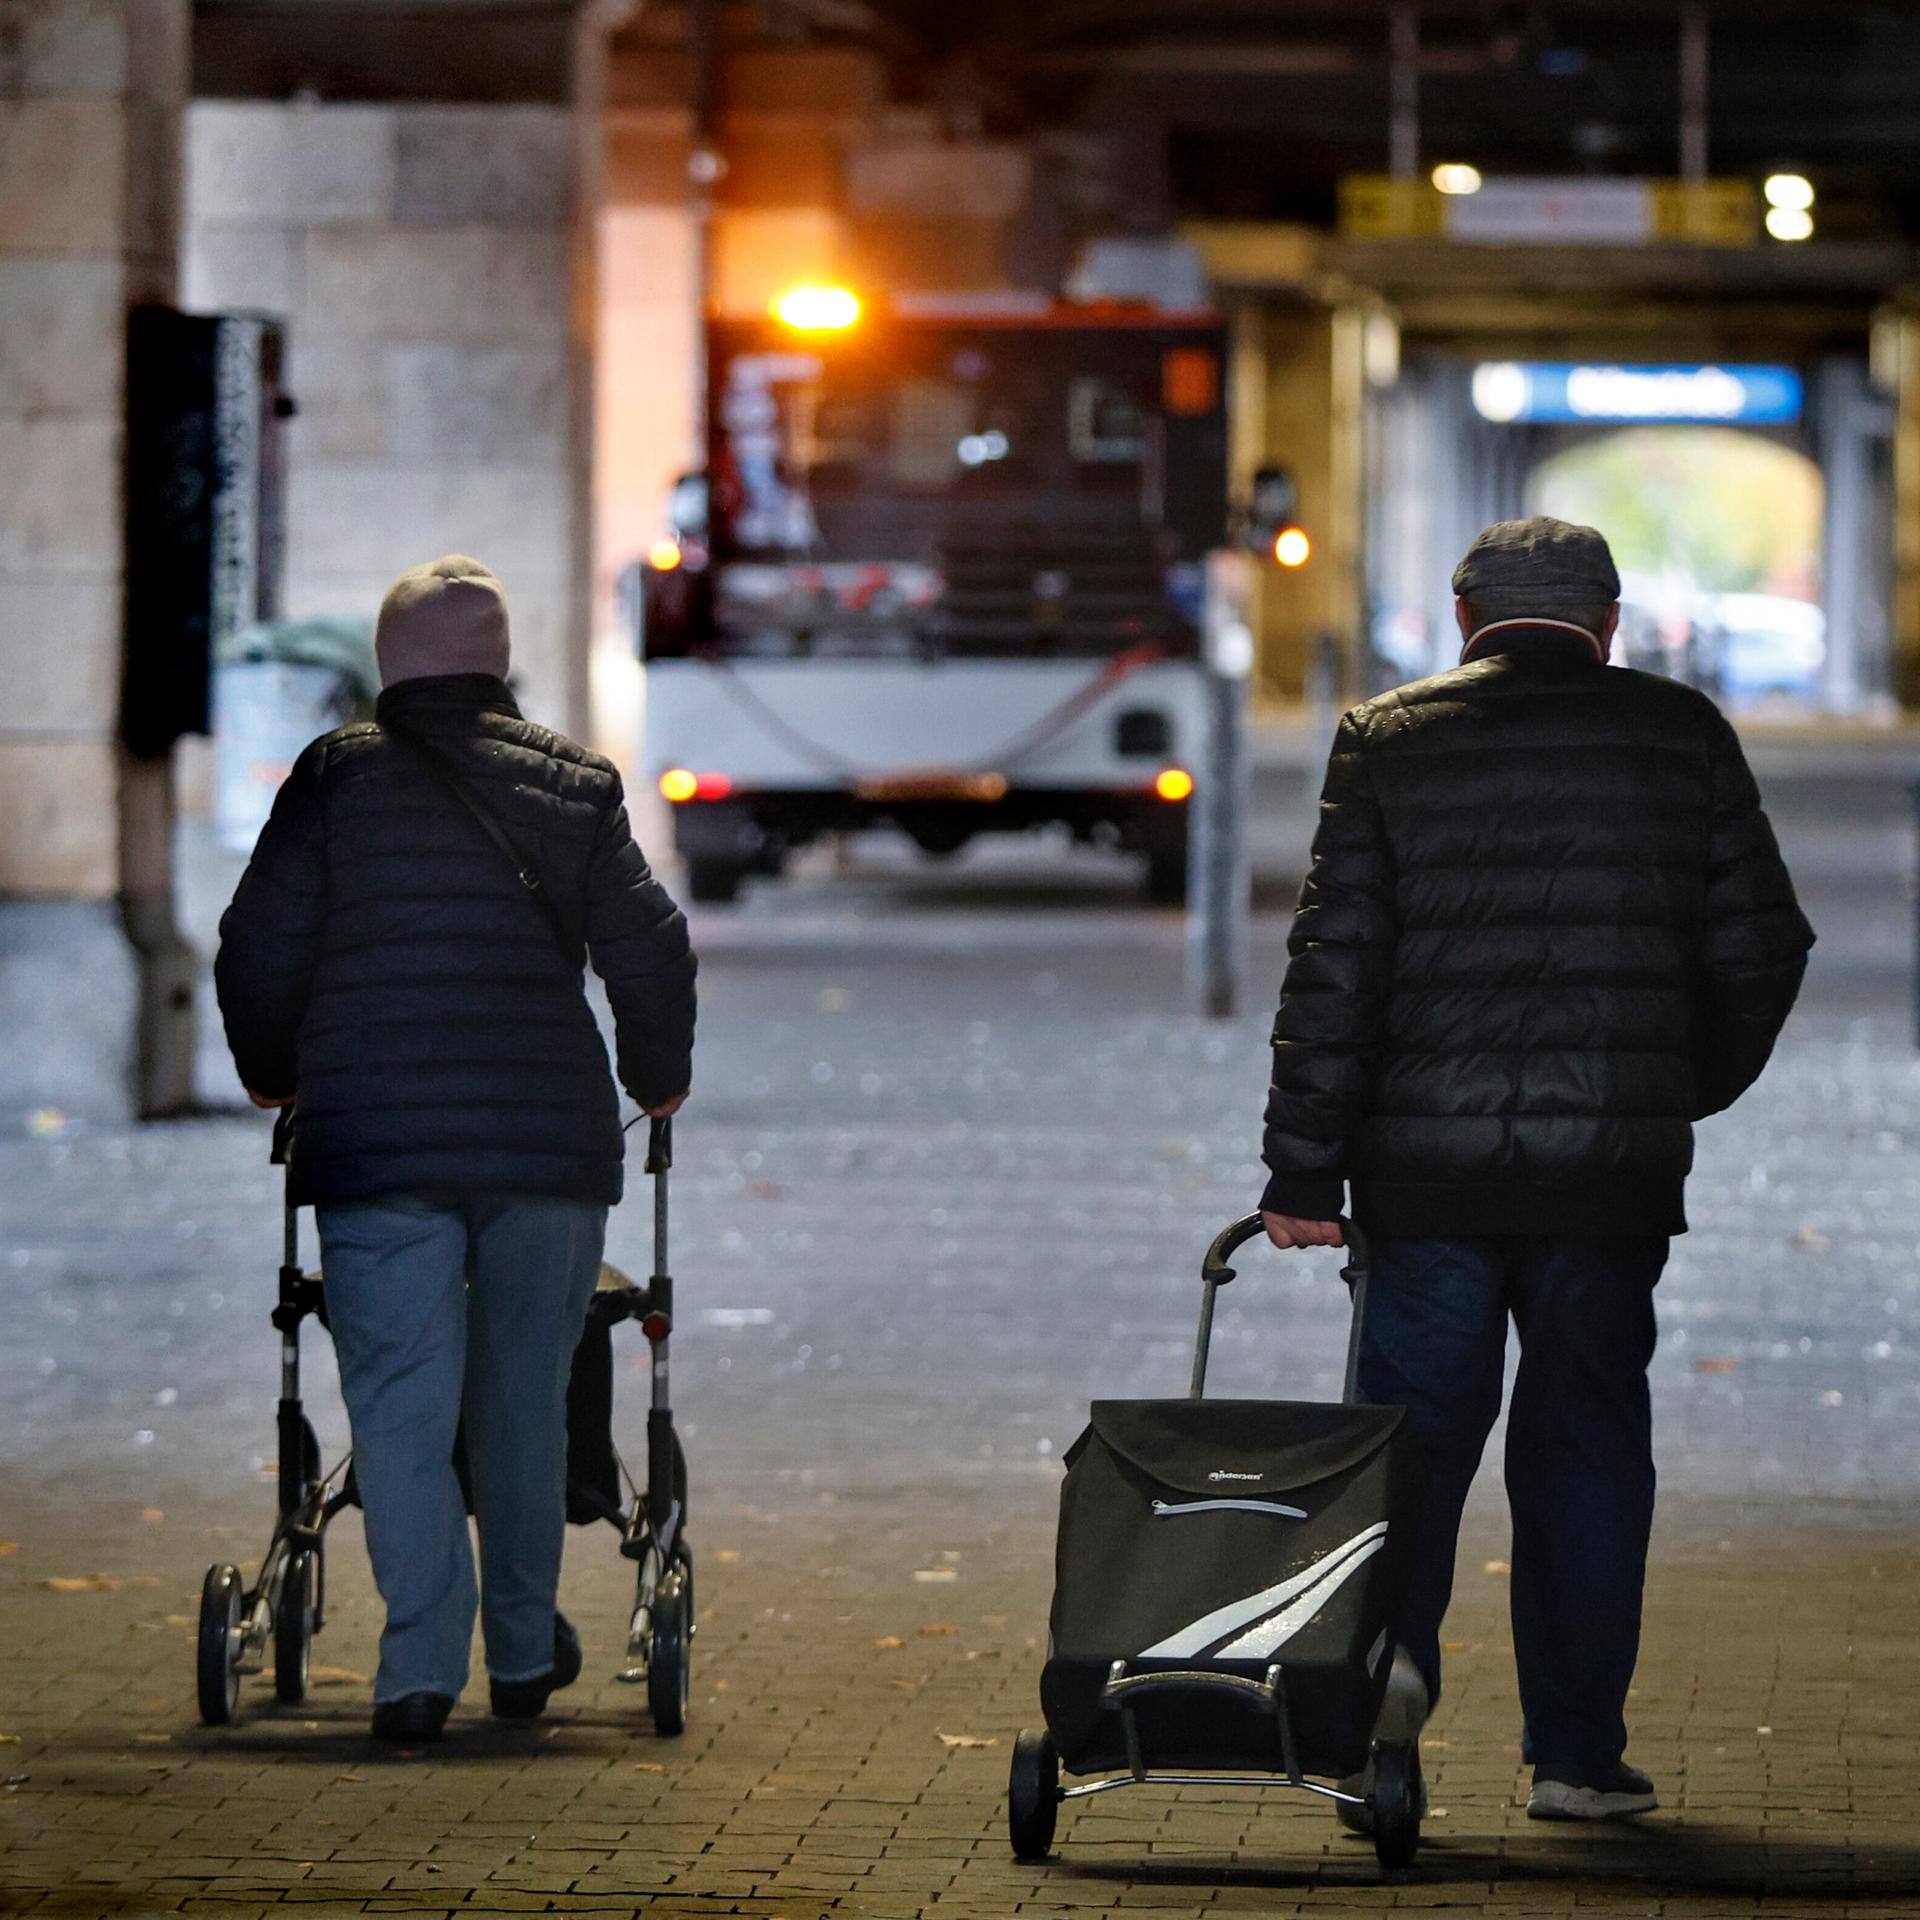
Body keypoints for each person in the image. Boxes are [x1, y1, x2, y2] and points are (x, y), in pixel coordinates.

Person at [1256, 517, 1812, 1823]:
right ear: (1608, 623)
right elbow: (1763, 946)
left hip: (1425, 1182)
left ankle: (1382, 1698)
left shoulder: (1388, 738)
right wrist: (1666, 1086)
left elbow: (1335, 970)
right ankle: (1575, 1757)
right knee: (1587, 1453)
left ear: (1464, 620)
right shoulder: (1683, 735)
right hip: (1606, 1179)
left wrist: (1303, 1173)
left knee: (1410, 1446)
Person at [216, 554, 697, 1743]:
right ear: (501, 662)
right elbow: (650, 948)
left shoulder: (335, 779)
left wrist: (271, 1071)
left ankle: (418, 1673)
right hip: (545, 1146)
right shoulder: (576, 784)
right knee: (526, 1405)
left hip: (377, 1143)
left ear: (387, 662)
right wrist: (656, 1080)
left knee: (399, 1408)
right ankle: (523, 1655)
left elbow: (257, 944)